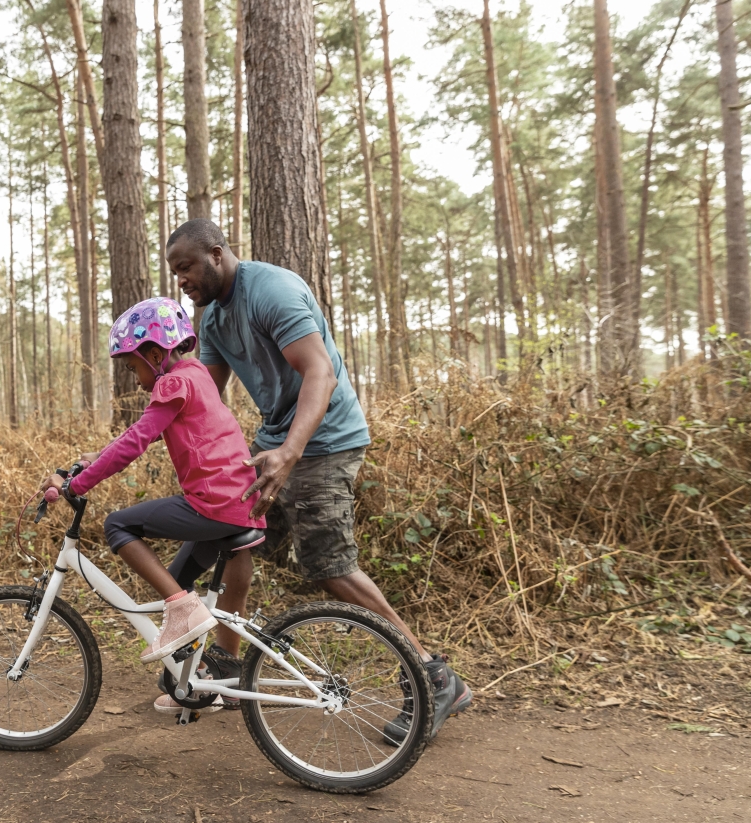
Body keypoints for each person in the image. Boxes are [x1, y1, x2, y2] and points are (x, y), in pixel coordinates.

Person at [165, 218, 471, 741]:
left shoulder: (272, 291)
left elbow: (320, 372)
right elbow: (206, 397)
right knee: (231, 535)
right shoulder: (213, 318)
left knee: (329, 567)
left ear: (217, 254)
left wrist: (289, 452)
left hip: (325, 439)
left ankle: (433, 676)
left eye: (186, 268)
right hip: (276, 440)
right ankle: (226, 663)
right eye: (175, 272)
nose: (182, 281)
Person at [41, 296, 265, 679]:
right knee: (176, 584)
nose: (134, 378)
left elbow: (135, 442)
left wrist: (76, 484)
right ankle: (196, 683)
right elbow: (154, 432)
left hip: (214, 503)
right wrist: (96, 458)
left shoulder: (172, 382)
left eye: (132, 366)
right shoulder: (196, 375)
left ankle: (183, 611)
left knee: (118, 525)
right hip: (236, 502)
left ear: (152, 353)